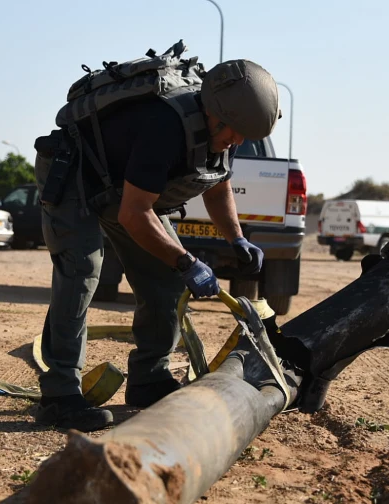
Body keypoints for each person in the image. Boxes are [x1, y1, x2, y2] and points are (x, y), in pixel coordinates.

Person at [34, 57, 280, 432]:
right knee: (83, 271)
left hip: (122, 183)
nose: (238, 141)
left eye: (244, 136)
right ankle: (59, 395)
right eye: (233, 131)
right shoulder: (165, 126)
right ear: (213, 113)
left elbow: (218, 186)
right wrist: (186, 261)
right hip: (74, 171)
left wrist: (237, 238)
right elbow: (135, 214)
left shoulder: (225, 126)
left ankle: (149, 378)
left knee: (164, 282)